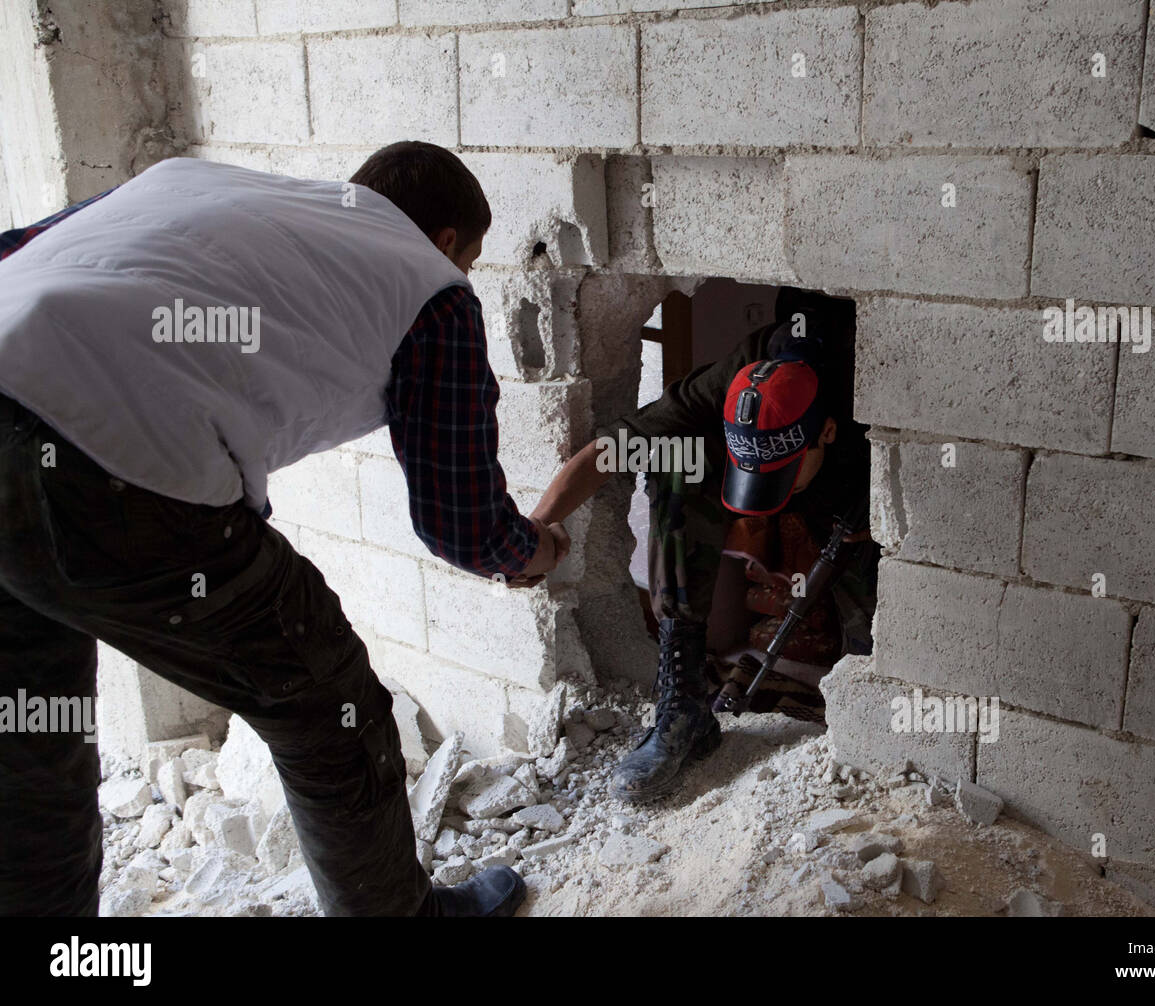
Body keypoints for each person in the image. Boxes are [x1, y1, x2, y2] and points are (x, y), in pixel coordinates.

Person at [0, 141, 567, 917]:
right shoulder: (432, 290)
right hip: (102, 461)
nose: (464, 273)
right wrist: (534, 551)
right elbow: (459, 521)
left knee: (28, 733)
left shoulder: (193, 178)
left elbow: (16, 250)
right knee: (324, 698)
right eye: (470, 258)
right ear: (445, 242)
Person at [531, 289, 880, 803]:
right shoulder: (731, 384)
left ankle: (869, 698)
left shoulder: (870, 386)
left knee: (874, 601)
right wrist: (539, 524)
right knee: (677, 460)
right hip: (805, 459)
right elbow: (614, 448)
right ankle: (684, 704)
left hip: (855, 475)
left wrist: (875, 514)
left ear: (826, 431)